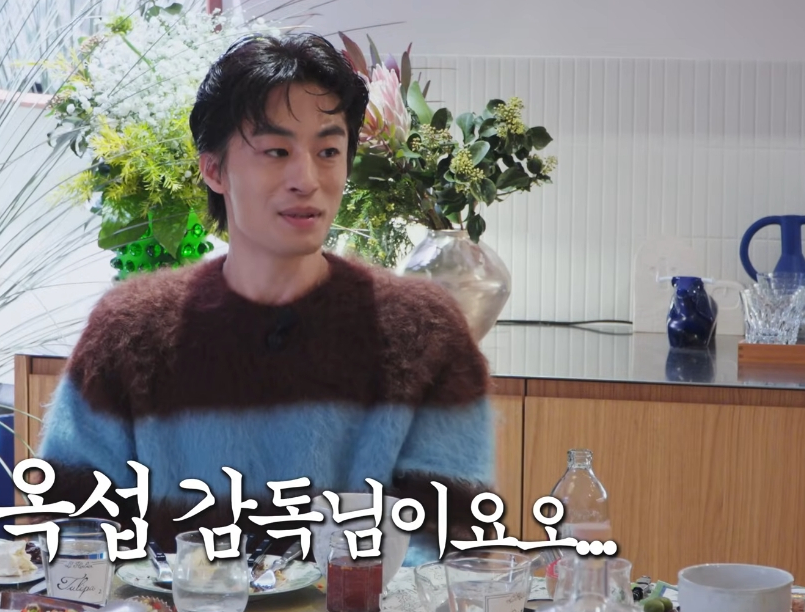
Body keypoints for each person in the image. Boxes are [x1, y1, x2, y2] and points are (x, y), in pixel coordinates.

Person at [34, 32, 496, 565]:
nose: (307, 179)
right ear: (213, 169)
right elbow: (71, 534)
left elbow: (456, 547)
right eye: (277, 151)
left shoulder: (422, 333)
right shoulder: (130, 331)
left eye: (328, 151)